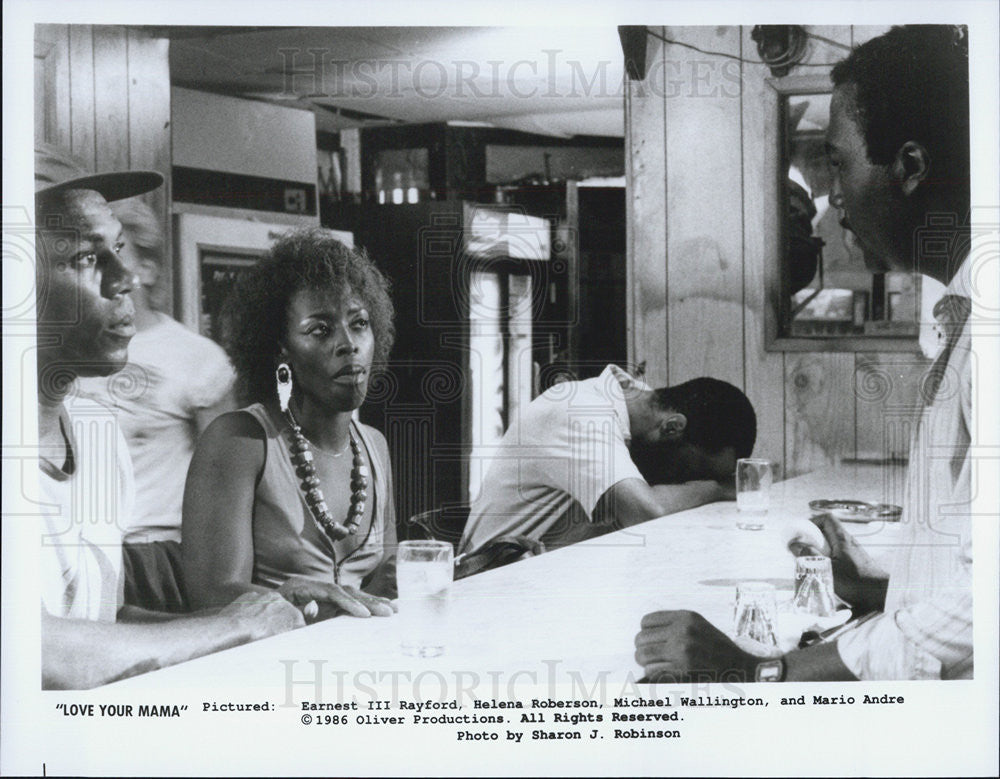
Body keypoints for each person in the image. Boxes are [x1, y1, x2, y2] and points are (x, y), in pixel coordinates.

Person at [635, 25, 972, 682]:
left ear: (910, 166)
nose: (833, 205)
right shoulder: (959, 315)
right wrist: (876, 588)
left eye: (840, 165)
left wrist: (764, 671)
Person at [33, 144, 303, 689]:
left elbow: (97, 627)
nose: (124, 278)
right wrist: (230, 625)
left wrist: (260, 614)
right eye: (87, 257)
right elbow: (41, 653)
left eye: (120, 249)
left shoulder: (95, 431)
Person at [182, 228, 398, 620]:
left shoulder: (374, 445)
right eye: (321, 329)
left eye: (360, 323)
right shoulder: (240, 440)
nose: (348, 343)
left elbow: (381, 587)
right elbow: (210, 596)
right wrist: (292, 597)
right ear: (280, 348)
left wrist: (458, 567)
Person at [76, 197, 236, 613]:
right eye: (91, 254)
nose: (100, 266)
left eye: (118, 251)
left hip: (159, 558)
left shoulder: (198, 358)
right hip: (81, 555)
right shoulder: (76, 356)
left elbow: (227, 489)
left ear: (147, 269)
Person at [458, 363, 757, 557]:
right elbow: (647, 513)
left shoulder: (635, 408)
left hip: (543, 572)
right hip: (492, 584)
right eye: (691, 471)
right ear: (672, 426)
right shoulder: (583, 412)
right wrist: (719, 489)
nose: (685, 482)